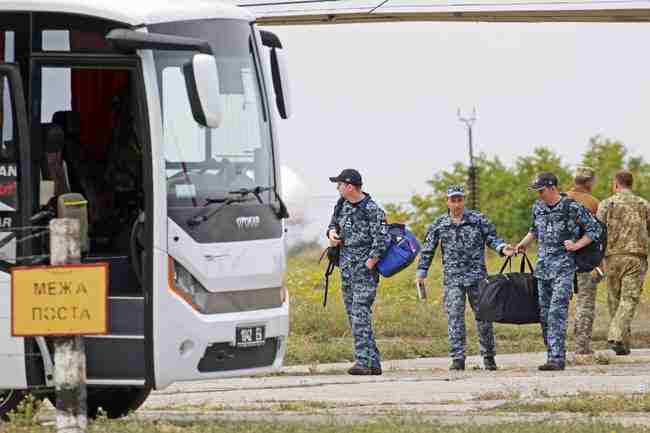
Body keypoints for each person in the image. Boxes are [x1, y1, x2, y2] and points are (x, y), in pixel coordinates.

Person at [415, 185, 515, 371]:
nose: (456, 203)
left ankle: (488, 357)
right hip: (453, 279)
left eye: (459, 199)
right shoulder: (440, 223)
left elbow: (492, 238)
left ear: (464, 200)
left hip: (477, 277)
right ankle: (458, 358)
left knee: (484, 317)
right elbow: (428, 249)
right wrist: (421, 271)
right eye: (453, 200)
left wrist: (502, 248)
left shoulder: (478, 219)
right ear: (447, 201)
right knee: (455, 318)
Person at [516, 172, 602, 371]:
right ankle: (551, 354)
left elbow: (594, 231)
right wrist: (522, 245)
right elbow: (534, 230)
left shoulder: (572, 207)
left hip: (564, 268)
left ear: (552, 187)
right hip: (543, 268)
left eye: (541, 191)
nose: (539, 195)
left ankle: (557, 358)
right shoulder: (538, 207)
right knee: (545, 314)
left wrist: (576, 245)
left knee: (557, 311)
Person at [326, 168, 389, 375]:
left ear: (350, 186)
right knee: (354, 315)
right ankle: (373, 362)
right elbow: (332, 224)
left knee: (361, 313)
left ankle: (363, 361)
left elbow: (382, 238)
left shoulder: (372, 209)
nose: (337, 188)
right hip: (346, 268)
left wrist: (370, 263)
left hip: (364, 271)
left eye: (340, 185)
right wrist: (332, 233)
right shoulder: (341, 204)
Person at [597, 170, 650, 356]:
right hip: (636, 257)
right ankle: (619, 337)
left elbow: (597, 232)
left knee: (614, 300)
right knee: (629, 299)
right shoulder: (644, 204)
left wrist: (597, 259)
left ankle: (620, 342)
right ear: (631, 184)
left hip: (612, 257)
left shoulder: (606, 204)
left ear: (616, 184)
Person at [566, 166, 603, 355]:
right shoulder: (594, 203)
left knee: (558, 303)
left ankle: (555, 346)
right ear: (589, 182)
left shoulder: (561, 199)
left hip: (560, 260)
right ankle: (582, 346)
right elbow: (599, 235)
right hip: (585, 260)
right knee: (585, 303)